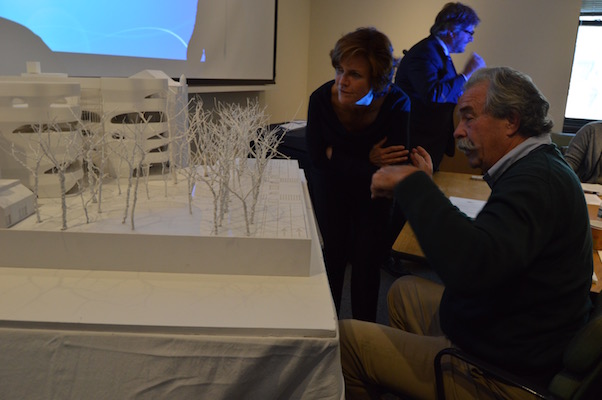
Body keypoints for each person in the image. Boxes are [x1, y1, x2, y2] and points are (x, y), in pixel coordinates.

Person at [339, 67, 593, 399]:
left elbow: (470, 268)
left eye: (469, 118)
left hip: (506, 372)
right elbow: (489, 246)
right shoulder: (538, 167)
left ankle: (443, 374)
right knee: (403, 291)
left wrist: (412, 184)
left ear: (511, 121)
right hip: (508, 329)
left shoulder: (536, 182)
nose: (458, 131)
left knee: (347, 342)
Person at [305, 27, 411, 322]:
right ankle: (325, 333)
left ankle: (365, 341)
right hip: (331, 189)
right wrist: (368, 158)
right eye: (340, 70)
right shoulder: (321, 100)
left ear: (377, 80)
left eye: (354, 74)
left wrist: (337, 154)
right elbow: (316, 157)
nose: (342, 81)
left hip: (375, 196)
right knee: (331, 262)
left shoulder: (397, 102)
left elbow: (392, 168)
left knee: (367, 265)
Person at [394, 2, 486, 171]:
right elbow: (432, 94)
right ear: (452, 30)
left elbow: (445, 92)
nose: (471, 39)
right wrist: (467, 73)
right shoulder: (424, 53)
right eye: (469, 33)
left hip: (430, 141)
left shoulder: (438, 53)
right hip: (417, 142)